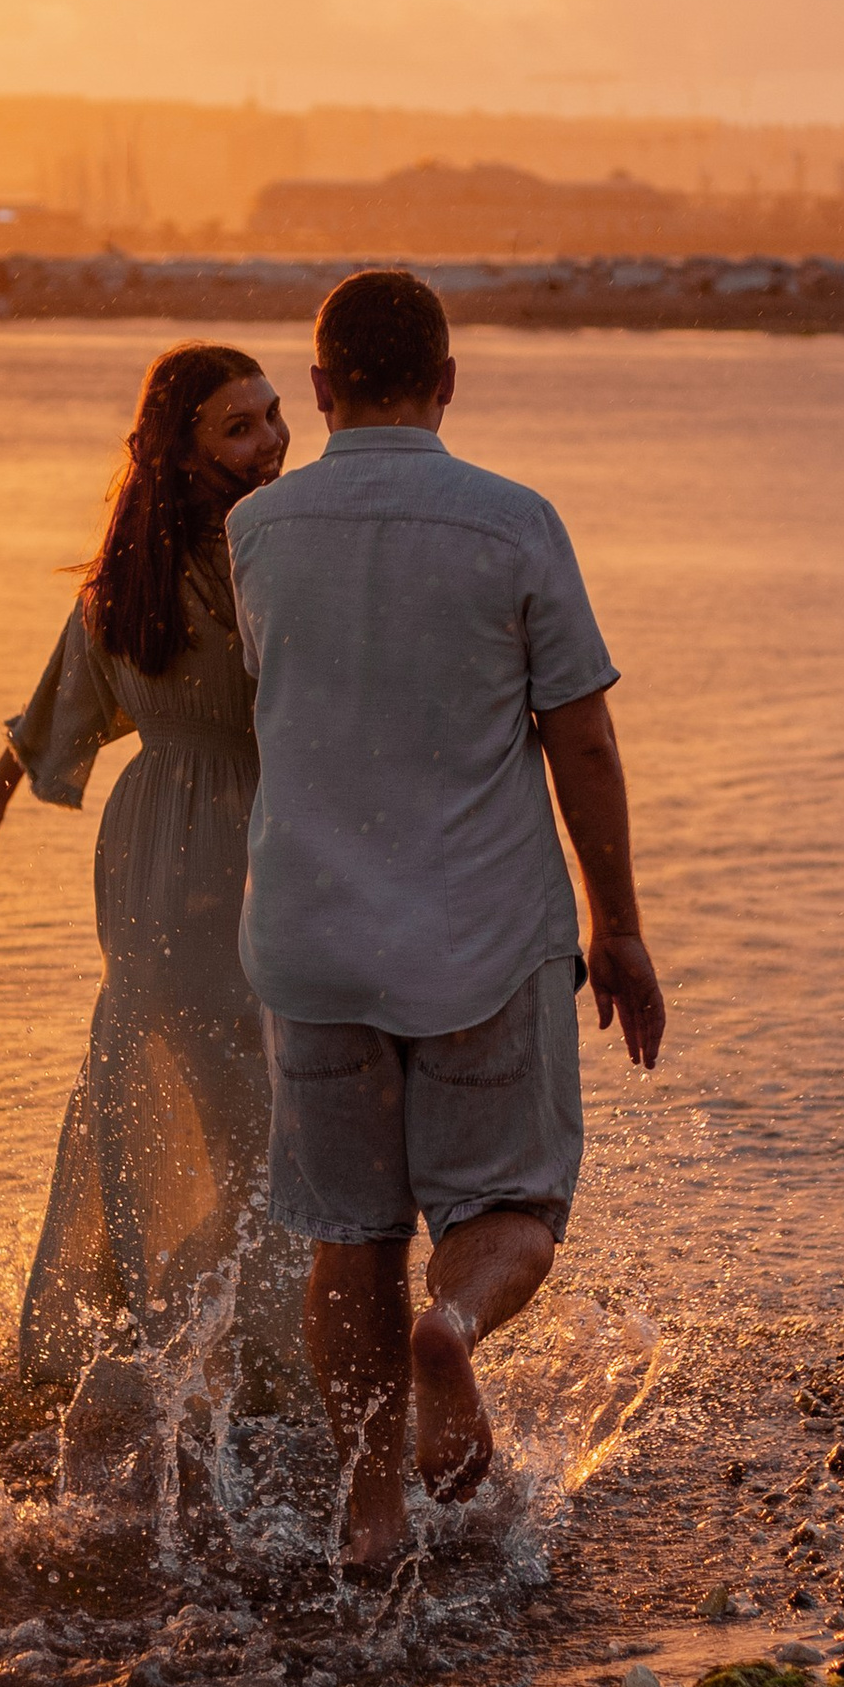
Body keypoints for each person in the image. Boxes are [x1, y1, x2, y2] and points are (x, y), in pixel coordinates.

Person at [227, 269, 667, 1574]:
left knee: (347, 1236)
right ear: (449, 382)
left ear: (319, 390)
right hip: (485, 935)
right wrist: (621, 925)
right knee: (518, 1207)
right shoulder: (513, 524)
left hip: (311, 944)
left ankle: (370, 1512)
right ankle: (455, 1335)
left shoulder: (257, 535)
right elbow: (578, 736)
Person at [0, 343, 301, 1402]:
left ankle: (211, 1321)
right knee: (209, 1086)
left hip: (229, 838)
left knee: (239, 1088)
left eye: (273, 415)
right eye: (238, 427)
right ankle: (223, 1337)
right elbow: (68, 690)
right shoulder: (145, 574)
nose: (270, 441)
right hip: (191, 850)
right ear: (179, 453)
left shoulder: (270, 543)